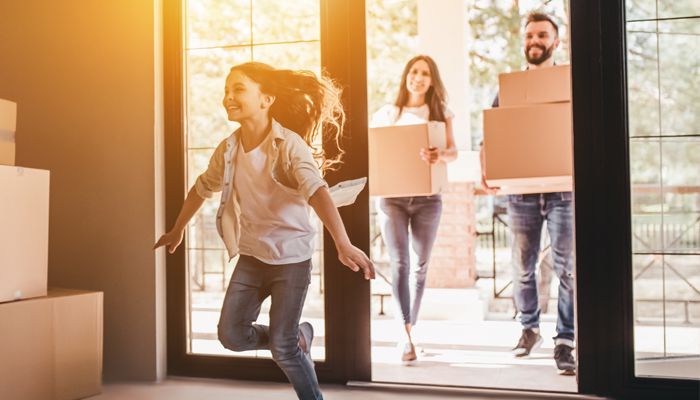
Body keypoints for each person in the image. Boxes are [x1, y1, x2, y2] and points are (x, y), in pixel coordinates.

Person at [154, 62, 375, 400]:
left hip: (292, 260)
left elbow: (317, 191)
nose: (228, 97)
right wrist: (176, 230)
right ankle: (295, 334)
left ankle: (299, 364)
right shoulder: (228, 150)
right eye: (227, 91)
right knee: (231, 336)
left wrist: (342, 244)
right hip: (253, 256)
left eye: (238, 89)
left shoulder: (290, 145)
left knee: (283, 351)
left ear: (266, 99)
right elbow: (202, 187)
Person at [481, 12, 576, 375]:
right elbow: (490, 134)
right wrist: (487, 172)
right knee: (522, 267)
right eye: (530, 35)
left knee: (567, 269)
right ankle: (528, 329)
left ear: (555, 41)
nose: (534, 41)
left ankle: (565, 339)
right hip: (520, 193)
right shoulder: (509, 88)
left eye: (542, 35)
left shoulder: (568, 83)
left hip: (563, 190)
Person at [370, 55, 457, 364]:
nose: (418, 77)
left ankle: (409, 328)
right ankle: (404, 334)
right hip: (392, 199)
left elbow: (453, 151)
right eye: (414, 71)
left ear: (432, 81)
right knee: (400, 264)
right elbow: (375, 152)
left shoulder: (440, 113)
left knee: (420, 267)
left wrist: (439, 155)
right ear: (406, 75)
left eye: (425, 73)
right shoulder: (387, 114)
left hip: (427, 199)